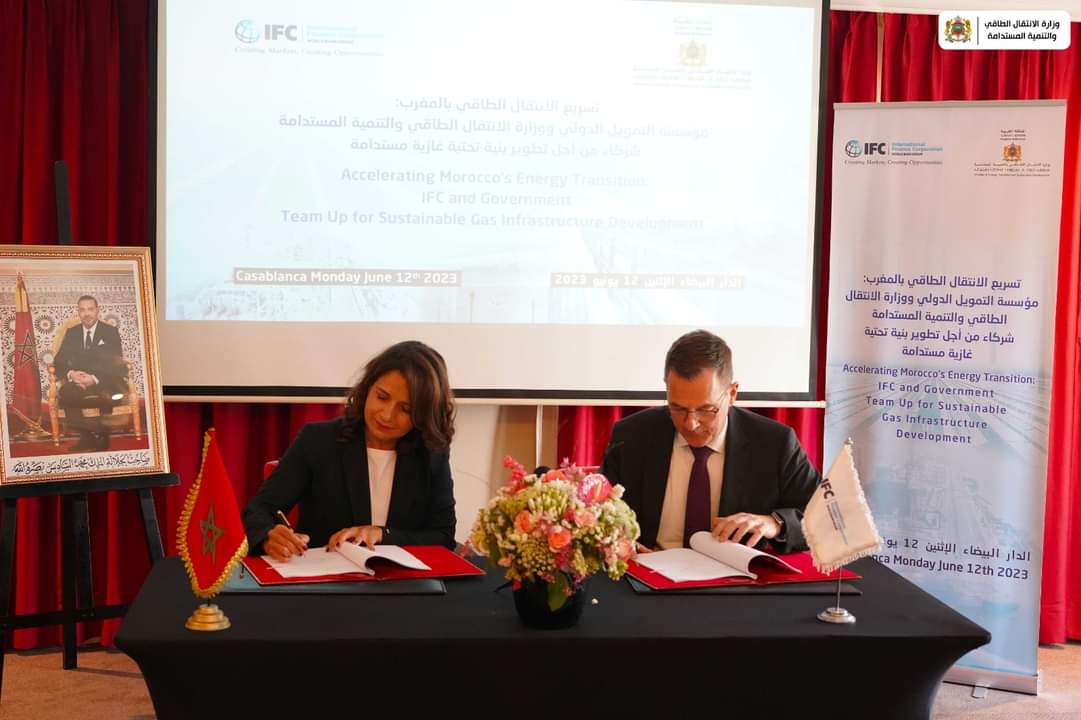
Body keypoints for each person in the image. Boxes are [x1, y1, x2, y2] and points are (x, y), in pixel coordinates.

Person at [600, 330, 820, 553]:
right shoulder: (631, 436)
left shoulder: (775, 443)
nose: (691, 423)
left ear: (732, 393)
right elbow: (599, 514)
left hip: (733, 573)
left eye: (706, 409)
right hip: (649, 568)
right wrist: (622, 544)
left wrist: (775, 523)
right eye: (677, 408)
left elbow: (824, 517)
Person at [242, 340, 458, 560]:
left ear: (423, 414)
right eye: (382, 397)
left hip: (403, 579)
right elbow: (258, 511)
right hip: (326, 575)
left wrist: (382, 534)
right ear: (367, 388)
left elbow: (443, 536)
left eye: (406, 409)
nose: (387, 415)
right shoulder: (318, 440)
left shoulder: (431, 453)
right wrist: (269, 536)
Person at [52, 295, 127, 451]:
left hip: (104, 379)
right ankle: (86, 437)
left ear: (97, 310)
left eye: (90, 309)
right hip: (79, 380)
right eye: (82, 310)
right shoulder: (72, 333)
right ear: (78, 312)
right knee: (66, 392)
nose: (86, 314)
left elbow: (116, 363)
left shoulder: (110, 332)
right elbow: (58, 361)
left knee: (108, 393)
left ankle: (102, 437)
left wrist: (94, 378)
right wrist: (72, 374)